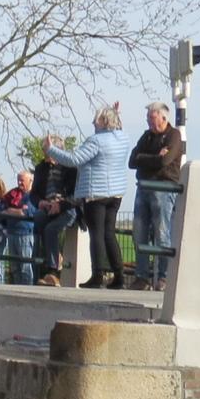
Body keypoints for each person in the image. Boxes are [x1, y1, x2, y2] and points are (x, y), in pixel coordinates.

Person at [44, 106, 131, 289]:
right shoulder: (122, 139)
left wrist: (51, 150)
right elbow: (118, 129)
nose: (93, 122)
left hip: (95, 193)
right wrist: (116, 115)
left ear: (104, 122)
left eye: (96, 119)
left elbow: (74, 159)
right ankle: (119, 276)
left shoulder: (96, 141)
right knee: (109, 234)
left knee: (97, 234)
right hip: (116, 193)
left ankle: (98, 275)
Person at [126, 101, 184, 290]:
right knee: (139, 232)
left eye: (152, 118)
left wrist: (146, 158)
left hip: (164, 188)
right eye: (148, 119)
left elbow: (165, 161)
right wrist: (153, 158)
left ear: (163, 118)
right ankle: (142, 277)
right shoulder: (147, 136)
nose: (149, 122)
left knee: (162, 232)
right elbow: (132, 161)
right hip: (143, 187)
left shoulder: (174, 135)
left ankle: (164, 278)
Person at [29, 151, 79, 285]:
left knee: (51, 229)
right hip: (49, 207)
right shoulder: (41, 168)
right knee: (38, 219)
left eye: (48, 151)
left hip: (68, 208)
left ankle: (53, 271)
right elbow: (33, 194)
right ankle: (54, 260)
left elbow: (77, 195)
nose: (46, 155)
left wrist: (60, 205)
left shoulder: (71, 167)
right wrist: (40, 202)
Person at [3, 170, 36, 284]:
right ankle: (17, 290)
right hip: (11, 233)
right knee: (14, 267)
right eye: (18, 180)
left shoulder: (33, 196)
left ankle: (28, 292)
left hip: (25, 234)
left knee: (25, 267)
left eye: (22, 180)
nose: (19, 183)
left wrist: (9, 211)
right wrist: (14, 211)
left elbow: (25, 213)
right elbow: (3, 209)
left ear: (30, 181)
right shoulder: (12, 194)